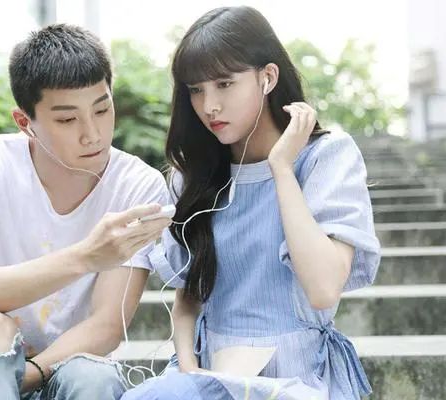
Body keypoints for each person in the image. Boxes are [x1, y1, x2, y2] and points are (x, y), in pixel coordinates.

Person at [124, 6, 381, 400]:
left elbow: (323, 289)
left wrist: (282, 168)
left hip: (298, 380)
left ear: (268, 77)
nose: (209, 105)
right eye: (196, 90)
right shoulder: (194, 177)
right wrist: (192, 374)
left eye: (224, 84)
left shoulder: (326, 158)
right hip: (208, 375)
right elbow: (189, 297)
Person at [0, 23, 172, 400]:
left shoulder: (137, 186)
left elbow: (108, 326)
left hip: (53, 374)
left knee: (93, 376)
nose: (93, 133)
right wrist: (85, 257)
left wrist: (25, 376)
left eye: (102, 109)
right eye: (67, 119)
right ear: (25, 122)